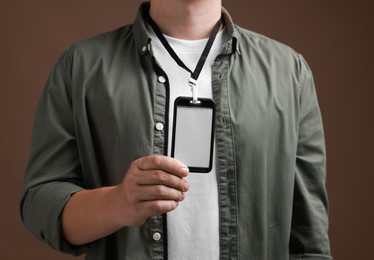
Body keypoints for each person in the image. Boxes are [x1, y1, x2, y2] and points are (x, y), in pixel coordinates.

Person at [20, 0, 332, 259]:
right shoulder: (81, 67)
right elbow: (40, 203)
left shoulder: (290, 73)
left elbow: (309, 240)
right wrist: (116, 203)